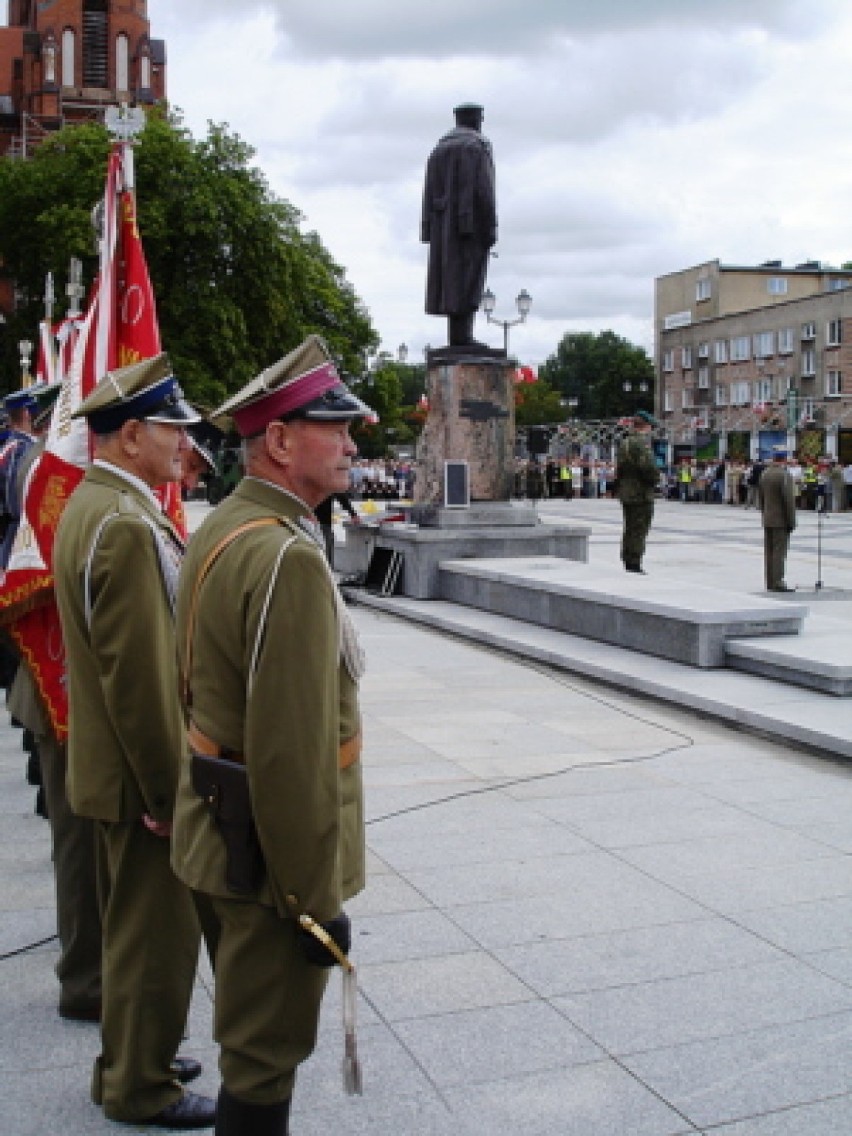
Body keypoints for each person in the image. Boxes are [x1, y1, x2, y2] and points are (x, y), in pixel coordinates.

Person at [171, 334, 369, 1135]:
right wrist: (310, 903)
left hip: (220, 825)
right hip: (268, 858)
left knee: (251, 1043)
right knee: (264, 1057)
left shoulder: (227, 524)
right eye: (337, 427)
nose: (354, 444)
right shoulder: (286, 556)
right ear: (281, 441)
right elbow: (291, 753)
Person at [53, 354, 215, 1130]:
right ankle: (141, 1085)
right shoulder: (122, 523)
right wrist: (168, 793)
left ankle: (127, 1056)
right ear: (128, 437)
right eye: (172, 429)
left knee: (129, 931)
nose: (184, 443)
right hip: (136, 776)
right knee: (154, 936)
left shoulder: (105, 505)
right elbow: (141, 678)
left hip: (111, 766)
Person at [421, 103, 497, 348]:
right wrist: (491, 225)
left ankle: (458, 337)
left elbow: (428, 192)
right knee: (469, 278)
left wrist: (427, 228)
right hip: (471, 226)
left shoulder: (438, 150)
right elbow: (484, 190)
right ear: (475, 119)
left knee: (452, 281)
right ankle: (463, 337)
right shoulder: (477, 146)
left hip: (443, 230)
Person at [616, 411, 658, 573]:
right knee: (639, 528)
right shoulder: (640, 444)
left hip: (626, 491)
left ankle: (627, 558)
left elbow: (620, 469)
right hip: (640, 493)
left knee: (629, 527)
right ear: (645, 426)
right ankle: (634, 561)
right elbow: (647, 468)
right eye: (650, 427)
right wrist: (655, 480)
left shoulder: (624, 443)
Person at [758, 446, 797, 592]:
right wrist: (791, 521)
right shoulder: (784, 475)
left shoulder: (765, 473)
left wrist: (764, 514)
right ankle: (778, 581)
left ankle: (769, 581)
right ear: (784, 459)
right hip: (780, 519)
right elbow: (788, 501)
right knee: (780, 552)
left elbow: (761, 498)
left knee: (769, 551)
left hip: (768, 518)